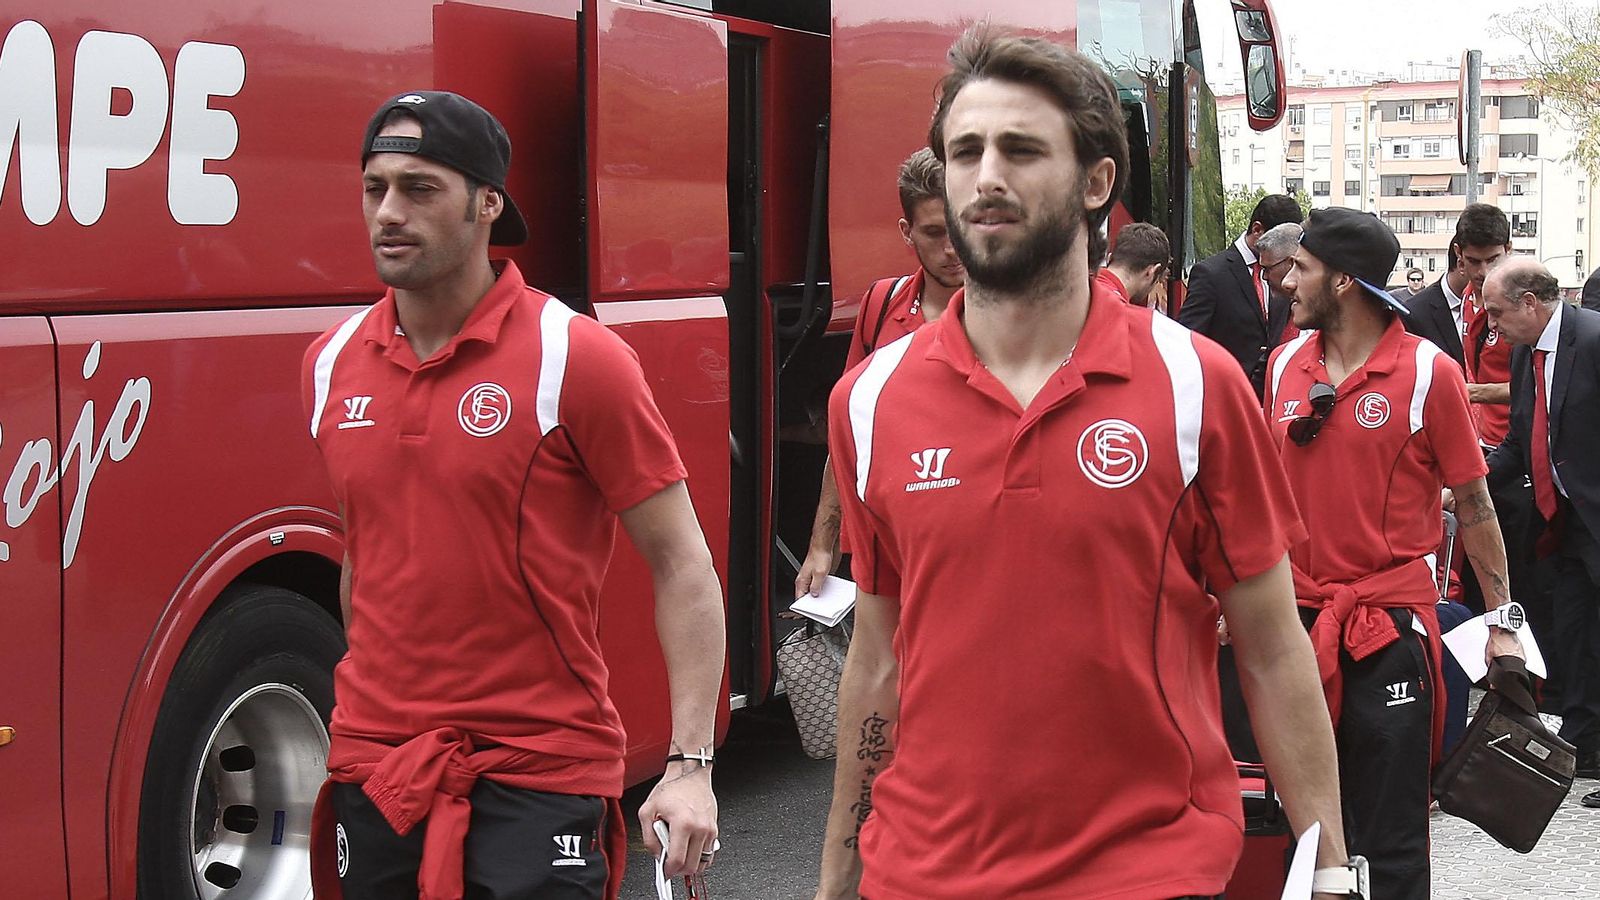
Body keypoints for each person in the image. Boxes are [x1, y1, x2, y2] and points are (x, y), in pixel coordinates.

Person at [815, 27, 1353, 900]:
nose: (986, 175)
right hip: (919, 875)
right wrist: (837, 875)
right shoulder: (868, 399)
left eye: (1021, 150)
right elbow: (876, 659)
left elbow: (1268, 644)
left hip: (1145, 872)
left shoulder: (1194, 382)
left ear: (1098, 182)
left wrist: (1327, 865)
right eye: (965, 152)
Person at [302, 91, 724, 899]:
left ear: (488, 203)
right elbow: (369, 552)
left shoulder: (577, 357)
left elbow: (683, 565)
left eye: (420, 188)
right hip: (380, 762)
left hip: (540, 765)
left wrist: (689, 764)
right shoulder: (329, 364)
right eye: (374, 187)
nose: (389, 211)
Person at [1269, 207, 1522, 899]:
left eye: (1303, 268)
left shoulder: (1429, 372)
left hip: (1389, 634)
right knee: (1304, 835)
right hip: (1294, 631)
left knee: (1394, 838)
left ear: (1346, 280)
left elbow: (1474, 505)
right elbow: (1260, 498)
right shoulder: (1284, 363)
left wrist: (1506, 629)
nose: (1287, 281)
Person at [795, 148, 964, 597]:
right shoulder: (880, 305)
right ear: (907, 233)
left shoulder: (1009, 317)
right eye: (934, 233)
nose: (952, 249)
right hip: (880, 544)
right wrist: (821, 544)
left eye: (961, 229)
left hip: (961, 544)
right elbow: (848, 433)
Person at [1481, 258, 1600, 802]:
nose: (1491, 324)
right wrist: (1460, 487)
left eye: (1497, 311)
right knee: (1575, 634)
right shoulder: (1529, 353)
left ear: (1531, 302)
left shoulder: (1592, 339)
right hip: (1567, 523)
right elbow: (1517, 445)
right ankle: (1583, 744)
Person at [1177, 192, 1303, 398]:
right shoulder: (1211, 274)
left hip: (1271, 400)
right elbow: (1188, 342)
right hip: (1223, 400)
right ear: (1257, 230)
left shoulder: (1287, 275)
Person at [1096, 221, 1170, 306]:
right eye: (1156, 281)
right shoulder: (1120, 312)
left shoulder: (1082, 288)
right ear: (1150, 272)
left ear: (1109, 258)